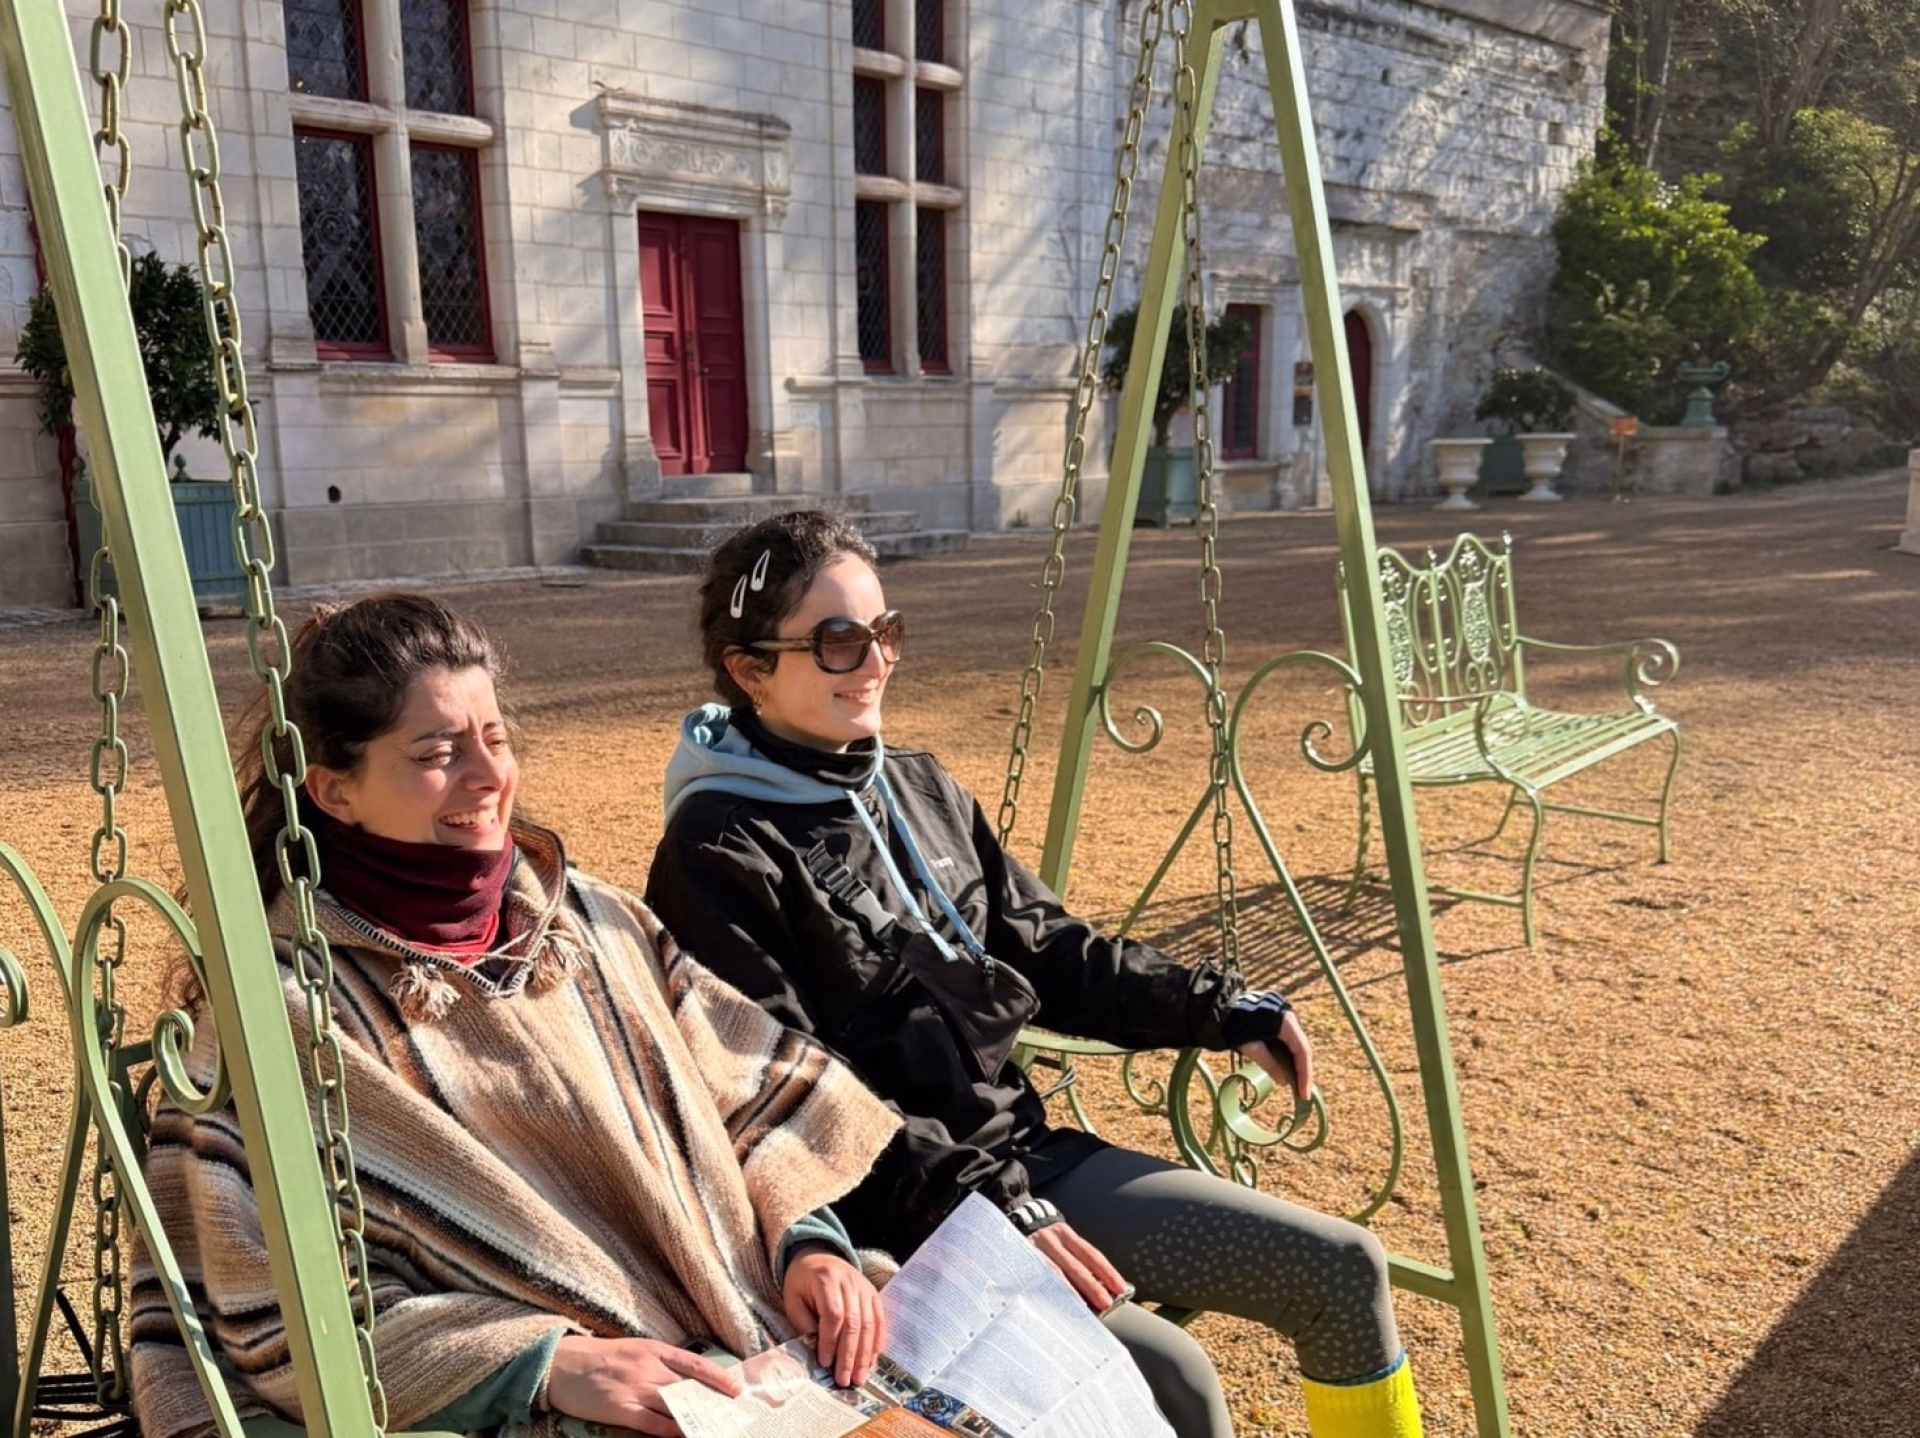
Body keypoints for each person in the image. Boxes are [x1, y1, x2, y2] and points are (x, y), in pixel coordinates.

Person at [646, 512, 1426, 1438]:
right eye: (838, 641)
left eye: (885, 631)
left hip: (1022, 1156)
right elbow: (793, 1096)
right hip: (897, 1211)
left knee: (1341, 1266)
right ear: (749, 670)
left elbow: (1046, 947)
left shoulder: (918, 787)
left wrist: (1216, 1007)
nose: (876, 662)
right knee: (1175, 1382)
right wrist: (988, 1206)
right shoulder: (716, 852)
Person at [128, 594, 902, 1438]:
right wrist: (544, 1364)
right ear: (334, 792)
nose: (488, 776)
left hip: (749, 1341)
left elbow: (742, 1092)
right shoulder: (287, 1016)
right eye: (438, 753)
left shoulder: (592, 925)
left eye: (494, 739)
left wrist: (809, 1244)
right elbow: (277, 1309)